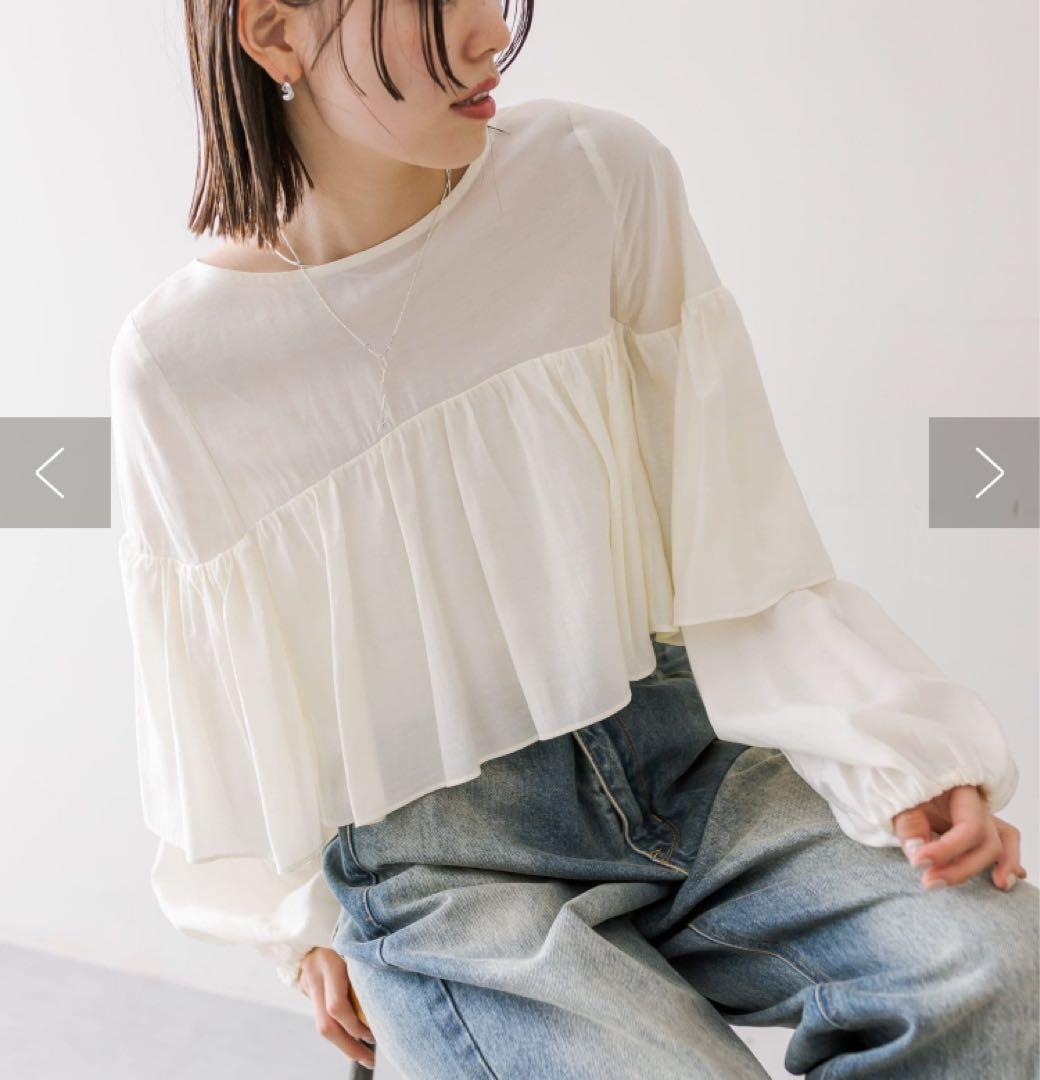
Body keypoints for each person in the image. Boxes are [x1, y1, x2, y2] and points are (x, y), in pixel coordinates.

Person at [110, 1, 1038, 1076]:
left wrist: (891, 755)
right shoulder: (181, 365)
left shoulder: (594, 175)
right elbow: (224, 708)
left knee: (994, 965)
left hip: (693, 761)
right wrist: (300, 928)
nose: (485, 38)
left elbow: (735, 530)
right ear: (274, 34)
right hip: (444, 861)